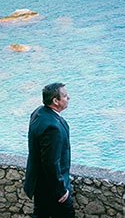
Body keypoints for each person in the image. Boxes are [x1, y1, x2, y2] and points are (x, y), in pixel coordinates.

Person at [24, 82, 74, 218]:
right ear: (55, 101)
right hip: (51, 188)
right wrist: (61, 190)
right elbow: (51, 162)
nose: (68, 98)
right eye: (64, 96)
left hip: (39, 183)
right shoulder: (53, 128)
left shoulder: (38, 112)